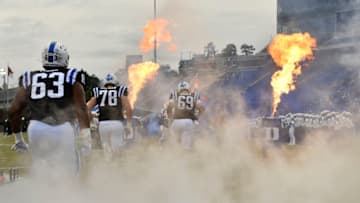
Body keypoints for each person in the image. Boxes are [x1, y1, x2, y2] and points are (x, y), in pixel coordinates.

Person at [9, 41, 91, 176]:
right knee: (68, 171)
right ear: (64, 58)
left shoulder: (30, 78)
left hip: (35, 128)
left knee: (41, 169)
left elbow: (14, 110)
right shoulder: (71, 76)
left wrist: (18, 139)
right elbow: (81, 109)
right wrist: (87, 139)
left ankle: (43, 194)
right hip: (62, 127)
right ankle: (66, 194)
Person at [87, 73, 133, 159]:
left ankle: (108, 167)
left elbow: (87, 108)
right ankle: (116, 168)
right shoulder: (120, 91)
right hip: (117, 123)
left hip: (102, 125)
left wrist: (91, 120)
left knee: (106, 149)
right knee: (117, 150)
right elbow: (128, 108)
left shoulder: (98, 91)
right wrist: (129, 124)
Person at [164, 81, 205, 150]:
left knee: (175, 143)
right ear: (188, 89)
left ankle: (174, 155)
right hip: (188, 122)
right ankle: (186, 156)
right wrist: (196, 117)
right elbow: (202, 108)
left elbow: (169, 108)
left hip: (176, 122)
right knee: (187, 146)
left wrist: (170, 117)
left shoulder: (175, 97)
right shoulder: (193, 97)